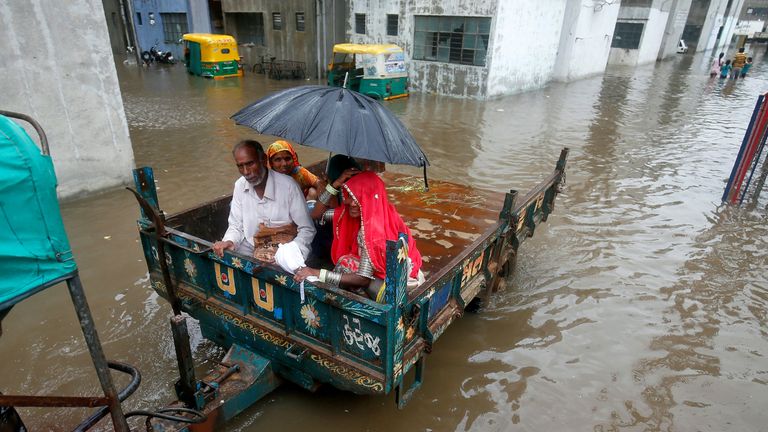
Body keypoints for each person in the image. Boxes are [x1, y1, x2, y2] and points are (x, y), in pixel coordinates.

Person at [295, 171, 424, 302]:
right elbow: (317, 214)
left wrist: (316, 272)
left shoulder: (371, 230)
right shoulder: (375, 211)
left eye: (358, 198)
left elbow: (362, 278)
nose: (351, 203)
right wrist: (334, 185)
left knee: (345, 265)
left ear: (369, 198)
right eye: (349, 196)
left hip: (395, 289)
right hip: (394, 274)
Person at [213, 140, 316, 259]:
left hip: (284, 248)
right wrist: (229, 241)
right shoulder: (240, 186)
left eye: (250, 164)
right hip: (250, 246)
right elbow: (236, 226)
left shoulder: (288, 186)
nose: (246, 172)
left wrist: (290, 253)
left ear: (263, 159)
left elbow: (307, 229)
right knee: (226, 255)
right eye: (240, 166)